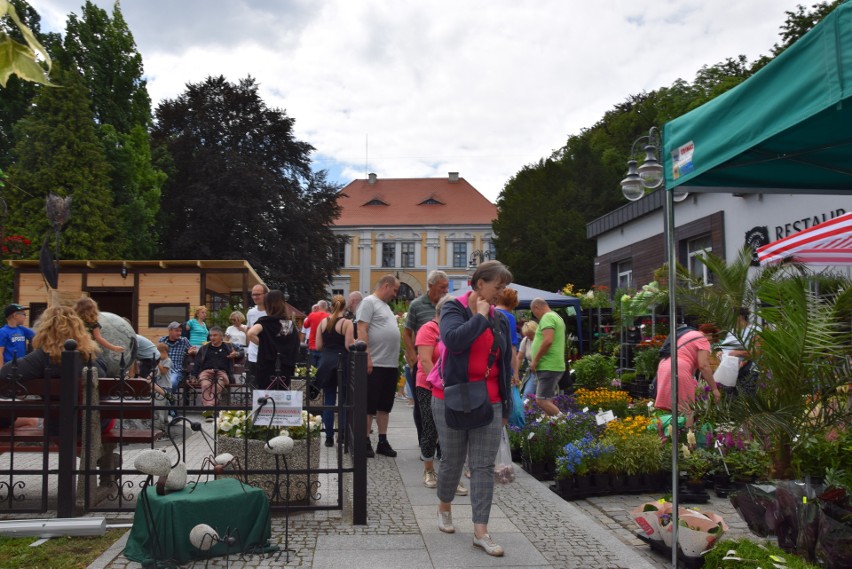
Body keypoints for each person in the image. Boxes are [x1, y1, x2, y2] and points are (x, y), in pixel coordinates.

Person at [432, 260, 514, 557]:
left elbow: (504, 365)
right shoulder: (454, 308)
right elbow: (453, 342)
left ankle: (481, 530)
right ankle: (444, 507)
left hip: (489, 400)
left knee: (481, 466)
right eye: (497, 286)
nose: (501, 292)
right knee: (452, 461)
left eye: (503, 287)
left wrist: (506, 406)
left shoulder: (501, 319)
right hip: (450, 397)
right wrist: (479, 317)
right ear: (480, 283)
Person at [0, 306, 103, 433]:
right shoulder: (91, 355)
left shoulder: (42, 357)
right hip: (96, 425)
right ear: (79, 329)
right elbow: (104, 375)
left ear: (45, 329)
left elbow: (5, 373)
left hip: (57, 426)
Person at [416, 294, 464, 491]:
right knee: (431, 428)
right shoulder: (428, 329)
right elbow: (426, 361)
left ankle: (451, 476)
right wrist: (438, 383)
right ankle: (428, 469)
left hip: (452, 387)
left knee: (453, 432)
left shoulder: (452, 330)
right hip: (429, 385)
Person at [403, 270, 449, 447]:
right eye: (442, 287)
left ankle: (439, 443)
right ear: (430, 287)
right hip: (423, 362)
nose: (445, 291)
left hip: (443, 362)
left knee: (441, 405)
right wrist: (411, 354)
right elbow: (407, 333)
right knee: (422, 406)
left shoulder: (449, 304)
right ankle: (425, 441)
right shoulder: (417, 305)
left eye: (446, 287)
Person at [356, 275, 401, 458]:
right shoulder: (369, 302)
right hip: (376, 362)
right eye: (395, 290)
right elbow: (362, 329)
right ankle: (365, 439)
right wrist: (366, 356)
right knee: (369, 405)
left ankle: (382, 440)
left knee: (385, 405)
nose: (395, 294)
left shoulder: (385, 306)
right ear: (386, 285)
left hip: (390, 363)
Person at [654, 321, 721, 425]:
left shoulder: (687, 333)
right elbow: (703, 366)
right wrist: (715, 389)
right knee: (688, 409)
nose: (710, 345)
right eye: (712, 342)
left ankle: (670, 435)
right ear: (710, 335)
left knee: (673, 407)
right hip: (679, 367)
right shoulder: (703, 339)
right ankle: (688, 438)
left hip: (664, 365)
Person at [314, 294, 355, 447]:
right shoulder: (347, 323)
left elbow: (318, 346)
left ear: (331, 306)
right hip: (341, 363)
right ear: (344, 307)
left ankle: (329, 437)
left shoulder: (323, 322)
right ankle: (343, 435)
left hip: (325, 363)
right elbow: (348, 346)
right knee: (344, 401)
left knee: (329, 401)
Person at [247, 290, 300, 390]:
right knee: (281, 395)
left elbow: (250, 333)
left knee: (265, 395)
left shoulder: (265, 322)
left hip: (266, 365)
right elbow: (287, 342)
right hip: (283, 365)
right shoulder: (286, 323)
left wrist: (263, 344)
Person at [193, 326, 242, 417]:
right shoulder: (204, 348)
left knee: (217, 386)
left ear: (221, 337)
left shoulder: (228, 346)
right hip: (206, 372)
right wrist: (193, 376)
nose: (212, 338)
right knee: (205, 385)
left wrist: (236, 354)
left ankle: (208, 410)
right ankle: (210, 409)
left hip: (221, 373)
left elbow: (241, 351)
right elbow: (197, 363)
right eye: (211, 336)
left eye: (215, 335)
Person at [529, 298, 565, 416]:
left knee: (541, 400)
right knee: (547, 399)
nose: (535, 316)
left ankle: (566, 422)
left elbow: (548, 340)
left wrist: (535, 360)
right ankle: (551, 428)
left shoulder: (547, 317)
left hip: (548, 365)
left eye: (534, 312)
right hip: (552, 365)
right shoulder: (556, 317)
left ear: (536, 308)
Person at [719, 307, 760, 396]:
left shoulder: (754, 329)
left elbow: (758, 351)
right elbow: (727, 348)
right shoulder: (732, 331)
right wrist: (722, 353)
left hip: (747, 371)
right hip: (730, 370)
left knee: (747, 398)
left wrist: (738, 353)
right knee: (729, 400)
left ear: (740, 317)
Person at [159, 322, 196, 391]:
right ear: (170, 331)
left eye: (180, 331)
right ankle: (165, 400)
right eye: (177, 331)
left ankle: (167, 401)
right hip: (162, 369)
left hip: (176, 371)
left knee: (171, 383)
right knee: (151, 382)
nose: (179, 333)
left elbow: (195, 351)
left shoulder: (183, 341)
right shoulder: (162, 340)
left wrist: (193, 352)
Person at [495, 287, 521, 386]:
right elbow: (512, 347)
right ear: (513, 302)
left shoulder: (488, 312)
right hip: (502, 364)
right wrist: (515, 373)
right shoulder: (509, 317)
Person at [245, 284, 269, 388]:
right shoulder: (251, 312)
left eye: (258, 294)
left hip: (267, 355)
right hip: (253, 355)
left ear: (266, 295)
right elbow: (249, 331)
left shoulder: (271, 312)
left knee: (266, 386)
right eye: (253, 294)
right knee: (252, 386)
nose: (255, 297)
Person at [302, 300, 330, 367]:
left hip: (312, 345)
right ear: (326, 307)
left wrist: (312, 312)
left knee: (312, 370)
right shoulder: (329, 316)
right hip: (324, 346)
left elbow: (305, 325)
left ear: (318, 306)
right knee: (322, 368)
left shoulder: (312, 315)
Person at [517, 320, 538, 397]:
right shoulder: (525, 340)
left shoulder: (542, 339)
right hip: (533, 372)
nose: (529, 337)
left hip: (544, 371)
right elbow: (519, 358)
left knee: (543, 396)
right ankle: (525, 408)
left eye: (531, 335)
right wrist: (516, 373)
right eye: (527, 335)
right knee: (527, 394)